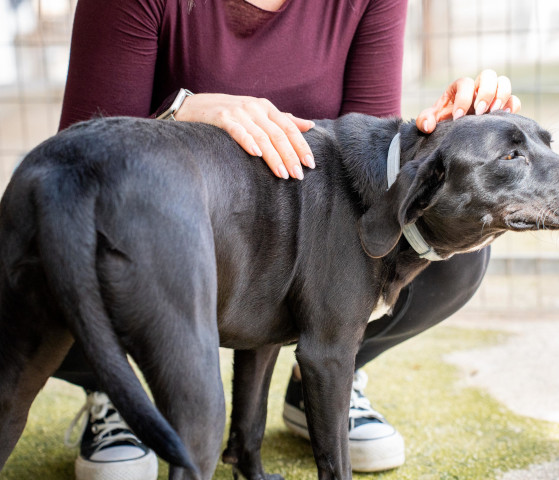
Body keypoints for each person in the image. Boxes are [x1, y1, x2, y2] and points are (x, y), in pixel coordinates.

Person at [55, 0, 521, 479]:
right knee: (65, 245)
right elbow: (78, 160)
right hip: (152, 226)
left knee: (456, 249)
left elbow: (369, 161)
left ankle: (320, 381)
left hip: (279, 244)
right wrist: (182, 110)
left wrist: (453, 136)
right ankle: (118, 385)